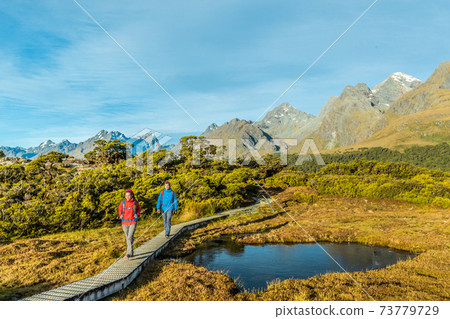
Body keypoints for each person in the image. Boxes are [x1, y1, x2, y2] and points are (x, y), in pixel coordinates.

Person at [118, 189, 141, 260]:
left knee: (129, 237)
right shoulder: (123, 203)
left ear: (132, 195)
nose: (127, 197)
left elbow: (138, 209)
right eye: (126, 195)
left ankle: (128, 253)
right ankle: (132, 252)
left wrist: (137, 215)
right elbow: (120, 210)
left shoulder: (135, 202)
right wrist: (120, 215)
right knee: (128, 237)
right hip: (124, 222)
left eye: (129, 195)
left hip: (133, 222)